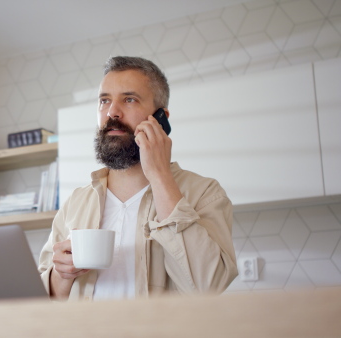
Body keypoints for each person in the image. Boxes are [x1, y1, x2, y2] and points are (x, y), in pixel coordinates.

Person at [38, 56, 238, 301]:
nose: (112, 111)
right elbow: (42, 300)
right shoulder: (76, 201)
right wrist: (61, 275)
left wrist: (160, 175)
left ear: (160, 118)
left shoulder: (204, 193)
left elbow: (208, 286)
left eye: (129, 99)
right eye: (104, 100)